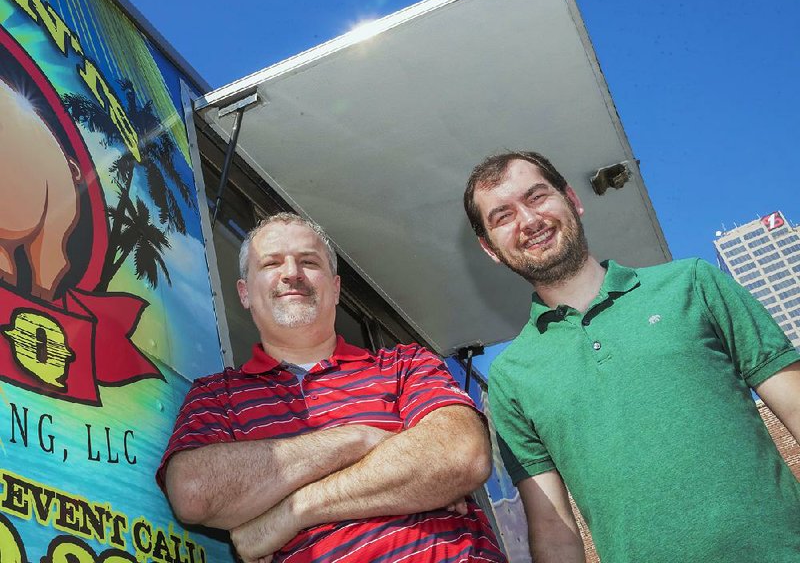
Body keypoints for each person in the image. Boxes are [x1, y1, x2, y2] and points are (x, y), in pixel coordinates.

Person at [463, 150, 800, 563]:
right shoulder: (511, 377)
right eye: (503, 216)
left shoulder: (692, 283)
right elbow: (553, 530)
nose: (529, 221)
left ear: (573, 198)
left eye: (537, 197)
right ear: (490, 248)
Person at [157, 212, 506, 563]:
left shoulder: (405, 364)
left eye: (308, 262)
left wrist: (292, 511)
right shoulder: (218, 397)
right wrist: (361, 439)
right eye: (271, 263)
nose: (291, 273)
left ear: (336, 288)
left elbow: (461, 454)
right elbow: (194, 491)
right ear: (245, 293)